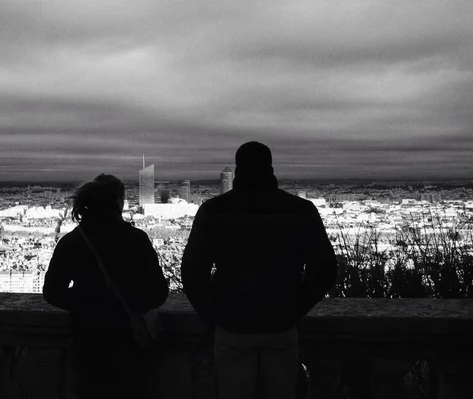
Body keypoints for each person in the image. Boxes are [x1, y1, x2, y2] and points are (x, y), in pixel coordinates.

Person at [181, 142, 338, 399]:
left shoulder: (214, 211)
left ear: (237, 171)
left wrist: (214, 314)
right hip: (281, 326)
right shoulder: (300, 210)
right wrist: (296, 306)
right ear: (271, 168)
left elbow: (192, 271)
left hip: (232, 326)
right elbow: (326, 268)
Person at [43, 174, 169, 399]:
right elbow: (158, 293)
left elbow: (52, 292)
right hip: (128, 341)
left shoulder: (72, 241)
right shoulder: (136, 239)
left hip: (87, 340)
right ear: (119, 202)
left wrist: (87, 302)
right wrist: (129, 302)